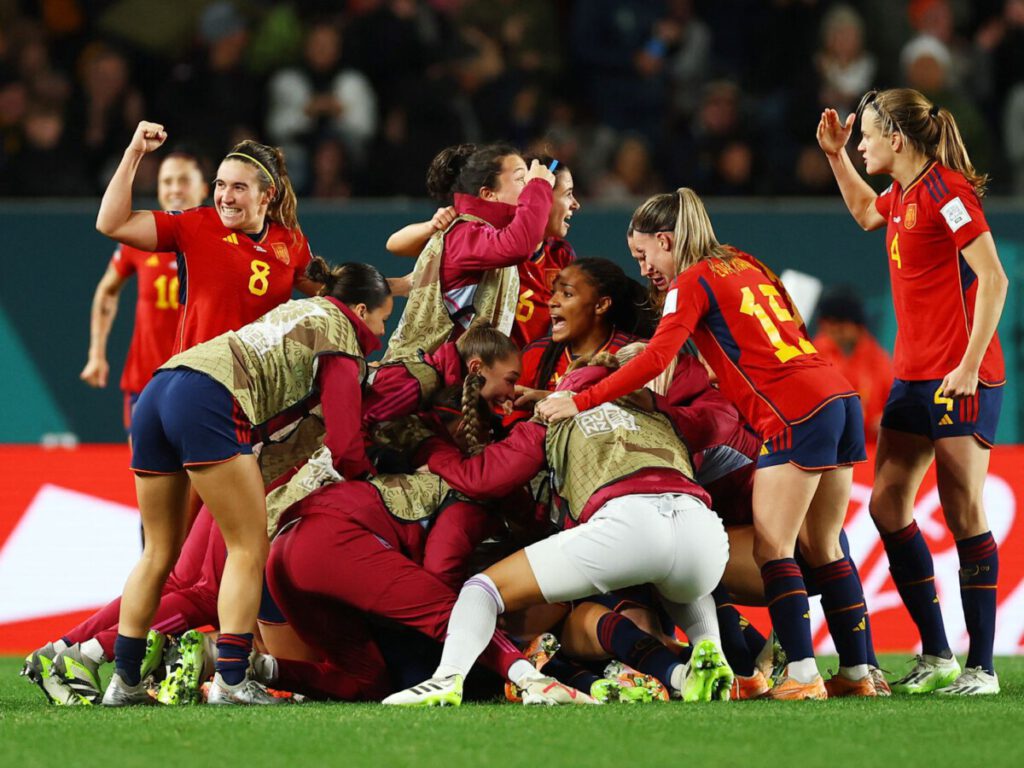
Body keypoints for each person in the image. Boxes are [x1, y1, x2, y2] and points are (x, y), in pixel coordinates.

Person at [538, 190, 874, 700]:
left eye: (644, 255)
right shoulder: (744, 261)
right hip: (837, 396)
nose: (644, 268)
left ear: (666, 240)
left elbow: (654, 361)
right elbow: (794, 326)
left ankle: (803, 677)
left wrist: (579, 401)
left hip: (793, 411)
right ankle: (857, 673)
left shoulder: (690, 280)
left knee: (774, 548)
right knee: (826, 547)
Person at [99, 259, 392, 707]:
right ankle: (232, 680)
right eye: (383, 318)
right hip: (209, 399)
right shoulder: (342, 337)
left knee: (158, 551)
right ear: (361, 310)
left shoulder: (300, 309)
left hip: (161, 386)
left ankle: (124, 682)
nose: (382, 332)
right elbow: (345, 442)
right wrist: (369, 480)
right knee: (248, 547)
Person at [384, 355, 733, 707]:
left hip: (626, 522)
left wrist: (428, 446)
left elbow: (486, 478)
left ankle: (445, 679)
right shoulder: (659, 411)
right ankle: (710, 650)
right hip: (703, 530)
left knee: (482, 589)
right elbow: (721, 422)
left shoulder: (555, 412)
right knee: (679, 578)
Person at [817, 88, 1008, 695]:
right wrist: (835, 156)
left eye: (867, 136)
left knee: (963, 511)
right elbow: (864, 212)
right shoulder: (902, 193)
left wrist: (969, 366)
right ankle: (937, 654)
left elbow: (994, 278)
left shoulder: (947, 193)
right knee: (887, 506)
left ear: (897, 139)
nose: (863, 144)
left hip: (960, 375)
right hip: (913, 377)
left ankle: (982, 668)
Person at [96, 121, 319, 355]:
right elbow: (112, 223)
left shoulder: (291, 242)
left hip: (259, 378)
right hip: (197, 374)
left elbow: (330, 299)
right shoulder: (196, 225)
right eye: (221, 185)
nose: (226, 197)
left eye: (239, 187)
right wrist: (134, 153)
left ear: (267, 195)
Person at [383, 143, 554, 360]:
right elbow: (519, 245)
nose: (527, 186)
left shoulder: (482, 232)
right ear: (488, 194)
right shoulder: (465, 233)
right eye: (521, 179)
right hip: (419, 377)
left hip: (445, 376)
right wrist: (538, 186)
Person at [81, 151, 208, 433]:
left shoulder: (222, 241)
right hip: (145, 381)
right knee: (144, 462)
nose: (175, 189)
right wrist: (96, 353)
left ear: (203, 188)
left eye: (184, 180)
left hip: (201, 383)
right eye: (167, 181)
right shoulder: (140, 237)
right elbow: (107, 291)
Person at [515, 258, 651, 406]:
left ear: (601, 305)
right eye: (553, 292)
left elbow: (645, 411)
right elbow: (511, 413)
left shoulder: (639, 355)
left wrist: (552, 398)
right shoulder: (535, 353)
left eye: (567, 294)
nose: (551, 302)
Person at [812, 287, 893, 442]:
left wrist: (887, 418)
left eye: (840, 328)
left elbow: (892, 402)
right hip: (825, 441)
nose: (833, 333)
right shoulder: (815, 354)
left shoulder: (877, 358)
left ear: (857, 326)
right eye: (828, 327)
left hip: (867, 444)